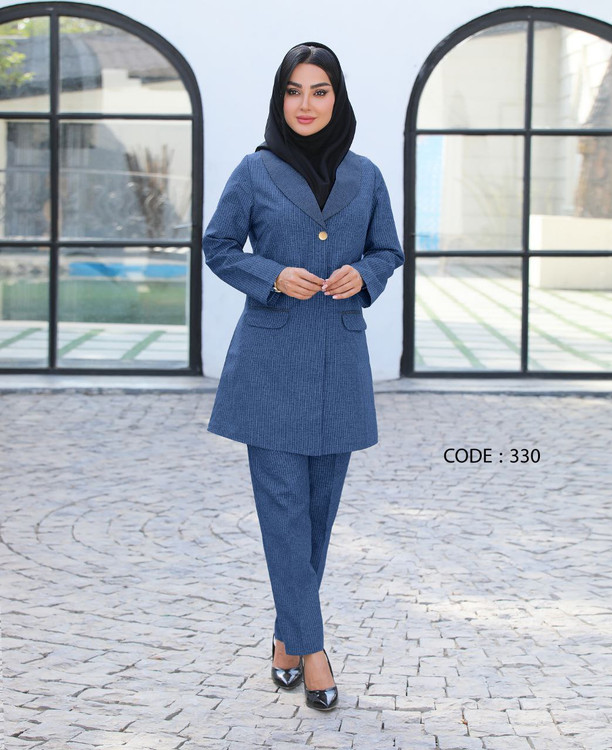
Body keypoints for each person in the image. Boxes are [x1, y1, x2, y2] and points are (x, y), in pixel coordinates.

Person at [202, 41, 404, 711]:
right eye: (294, 90)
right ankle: (313, 651)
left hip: (339, 367)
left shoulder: (367, 176)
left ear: (337, 98)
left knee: (317, 515)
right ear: (279, 98)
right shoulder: (254, 171)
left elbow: (388, 250)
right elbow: (218, 246)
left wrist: (363, 274)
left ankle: (286, 640)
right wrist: (270, 274)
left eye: (320, 90)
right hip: (269, 370)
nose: (306, 104)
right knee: (284, 512)